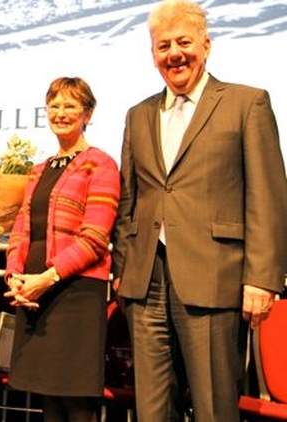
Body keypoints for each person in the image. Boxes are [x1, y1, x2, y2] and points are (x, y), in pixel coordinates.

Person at [110, 0, 287, 420]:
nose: (174, 53)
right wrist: (122, 266)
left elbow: (268, 195)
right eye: (163, 45)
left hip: (215, 278)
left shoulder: (248, 103)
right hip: (144, 282)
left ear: (206, 45)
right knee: (152, 410)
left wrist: (262, 278)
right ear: (153, 56)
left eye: (184, 42)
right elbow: (129, 201)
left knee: (213, 408)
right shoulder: (138, 115)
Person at [3, 76, 120, 422]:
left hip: (76, 292)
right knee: (47, 397)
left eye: (70, 105)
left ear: (88, 113)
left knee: (75, 401)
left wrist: (47, 277)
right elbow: (21, 230)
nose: (60, 113)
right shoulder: (38, 170)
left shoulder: (100, 163)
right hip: (34, 293)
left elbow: (96, 237)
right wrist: (14, 277)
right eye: (54, 105)